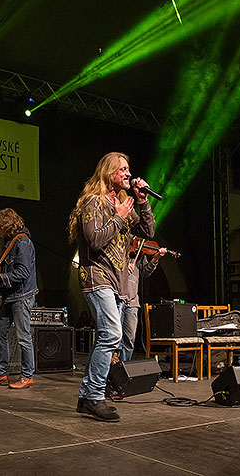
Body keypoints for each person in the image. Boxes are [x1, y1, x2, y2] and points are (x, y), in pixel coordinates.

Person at [68, 152, 155, 422]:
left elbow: (148, 233)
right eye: (123, 170)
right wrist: (118, 216)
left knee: (109, 337)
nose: (129, 174)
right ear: (109, 174)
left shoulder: (121, 204)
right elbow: (94, 240)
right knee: (111, 335)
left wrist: (143, 202)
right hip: (97, 277)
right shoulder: (94, 202)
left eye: (129, 169)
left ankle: (86, 396)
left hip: (117, 282)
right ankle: (95, 396)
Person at [0, 208, 38, 389]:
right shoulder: (12, 242)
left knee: (23, 337)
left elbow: (23, 272)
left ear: (6, 225)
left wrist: (1, 277)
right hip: (10, 295)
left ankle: (27, 376)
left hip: (21, 296)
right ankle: (1, 374)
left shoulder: (23, 242)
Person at [116, 243, 166, 363]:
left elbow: (145, 272)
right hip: (116, 298)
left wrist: (155, 258)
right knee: (114, 338)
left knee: (129, 339)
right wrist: (123, 267)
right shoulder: (117, 247)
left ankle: (124, 369)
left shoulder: (138, 255)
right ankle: (111, 369)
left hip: (132, 301)